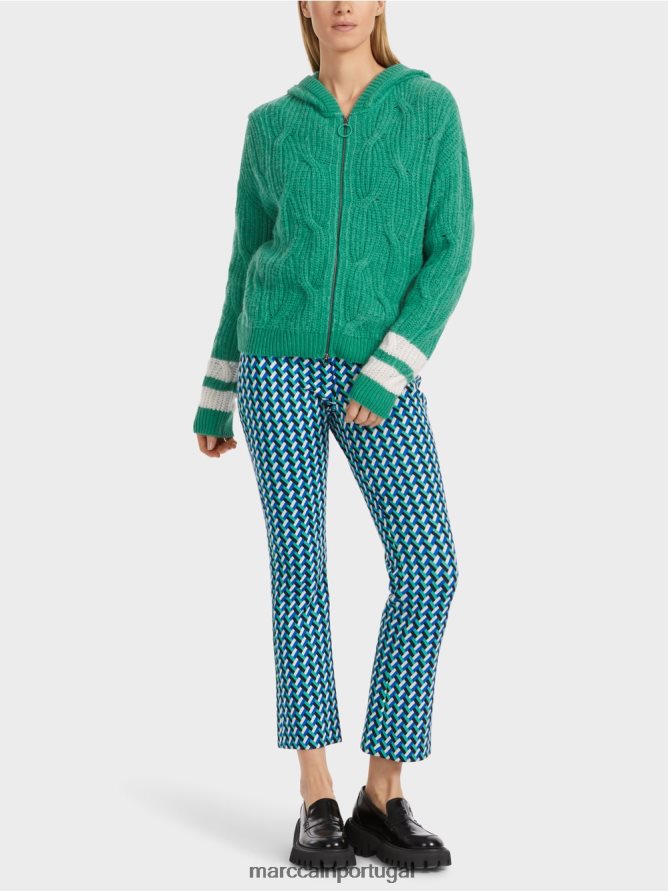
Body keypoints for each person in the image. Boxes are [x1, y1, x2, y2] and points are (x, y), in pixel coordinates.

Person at [193, 0, 474, 871]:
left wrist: (390, 368)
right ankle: (316, 792)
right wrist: (217, 393)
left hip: (378, 374)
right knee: (300, 571)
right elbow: (245, 259)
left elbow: (451, 249)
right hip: (274, 369)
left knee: (429, 565)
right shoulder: (271, 125)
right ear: (306, 6)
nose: (344, 2)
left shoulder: (427, 108)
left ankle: (381, 794)